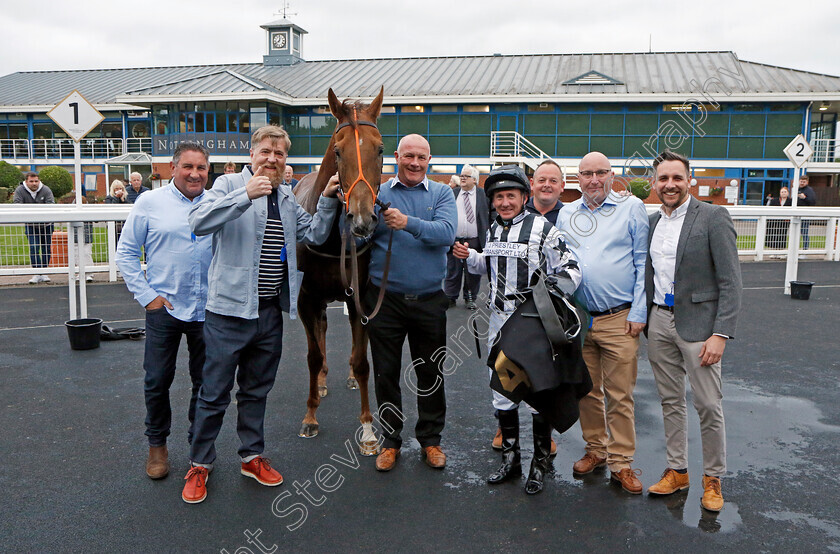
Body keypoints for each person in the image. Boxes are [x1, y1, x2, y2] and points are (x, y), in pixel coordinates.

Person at [182, 125, 341, 504]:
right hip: (228, 313)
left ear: (286, 159)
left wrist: (330, 200)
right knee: (214, 393)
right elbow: (198, 223)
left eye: (280, 154)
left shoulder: (286, 197)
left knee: (256, 390)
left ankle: (251, 457)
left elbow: (315, 236)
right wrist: (243, 195)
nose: (272, 159)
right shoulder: (227, 185)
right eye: (266, 152)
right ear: (252, 154)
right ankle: (200, 463)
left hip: (269, 311)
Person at [453, 164, 581, 494]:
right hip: (499, 326)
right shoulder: (494, 229)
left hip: (533, 328)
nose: (505, 202)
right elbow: (488, 265)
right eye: (499, 197)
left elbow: (572, 270)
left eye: (511, 195)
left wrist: (544, 296)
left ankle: (539, 465)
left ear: (524, 197)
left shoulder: (543, 228)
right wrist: (470, 256)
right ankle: (510, 462)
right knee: (503, 394)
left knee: (538, 393)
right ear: (492, 201)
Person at [644, 150, 742, 513]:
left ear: (690, 180)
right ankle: (677, 470)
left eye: (676, 178)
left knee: (707, 404)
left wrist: (721, 334)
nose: (670, 185)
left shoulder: (713, 216)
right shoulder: (653, 222)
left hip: (700, 327)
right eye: (663, 179)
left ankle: (713, 478)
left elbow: (731, 281)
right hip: (660, 321)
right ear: (655, 183)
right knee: (670, 402)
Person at [116, 142, 214, 480]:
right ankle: (156, 445)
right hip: (164, 309)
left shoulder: (217, 204)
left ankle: (198, 449)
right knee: (157, 380)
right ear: (173, 168)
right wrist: (147, 296)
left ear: (208, 170)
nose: (194, 174)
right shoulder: (149, 202)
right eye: (187, 166)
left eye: (201, 167)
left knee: (206, 384)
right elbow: (126, 252)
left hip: (208, 310)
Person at [556, 152, 649, 494]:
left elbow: (642, 262)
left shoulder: (631, 208)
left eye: (600, 172)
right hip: (580, 318)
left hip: (619, 318)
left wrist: (639, 311)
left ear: (611, 175)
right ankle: (596, 449)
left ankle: (621, 461)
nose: (593, 179)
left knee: (620, 394)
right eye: (586, 174)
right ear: (577, 179)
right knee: (587, 391)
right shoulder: (567, 214)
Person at [365, 134, 457, 473]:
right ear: (397, 158)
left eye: (421, 157)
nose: (415, 163)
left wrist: (407, 223)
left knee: (430, 373)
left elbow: (447, 234)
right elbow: (360, 234)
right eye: (409, 156)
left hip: (430, 301)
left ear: (428, 160)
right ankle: (390, 441)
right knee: (386, 373)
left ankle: (431, 440)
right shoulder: (380, 193)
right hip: (385, 300)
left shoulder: (442, 192)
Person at [445, 164, 488, 310]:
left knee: (473, 272)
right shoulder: (453, 193)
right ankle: (450, 297)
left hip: (475, 241)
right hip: (455, 240)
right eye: (461, 175)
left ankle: (470, 298)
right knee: (453, 271)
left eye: (466, 176)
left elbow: (492, 214)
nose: (462, 178)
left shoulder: (483, 195)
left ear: (475, 180)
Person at [14, 171, 55, 284]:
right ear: (26, 181)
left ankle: (44, 272)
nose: (34, 183)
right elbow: (17, 205)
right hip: (31, 224)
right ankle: (37, 272)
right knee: (33, 247)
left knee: (46, 248)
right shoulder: (20, 190)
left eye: (36, 181)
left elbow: (51, 205)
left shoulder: (46, 190)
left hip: (47, 224)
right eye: (31, 181)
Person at [525, 160, 565, 225]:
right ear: (532, 184)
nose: (547, 185)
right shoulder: (519, 212)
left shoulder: (568, 217)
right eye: (542, 180)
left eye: (553, 181)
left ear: (562, 186)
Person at [796, 175, 816, 248]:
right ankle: (794, 249)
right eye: (801, 181)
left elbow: (812, 202)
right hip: (797, 213)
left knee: (804, 232)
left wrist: (804, 198)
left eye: (803, 182)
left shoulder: (809, 190)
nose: (802, 183)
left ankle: (805, 249)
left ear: (807, 182)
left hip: (805, 214)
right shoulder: (796, 189)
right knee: (795, 232)